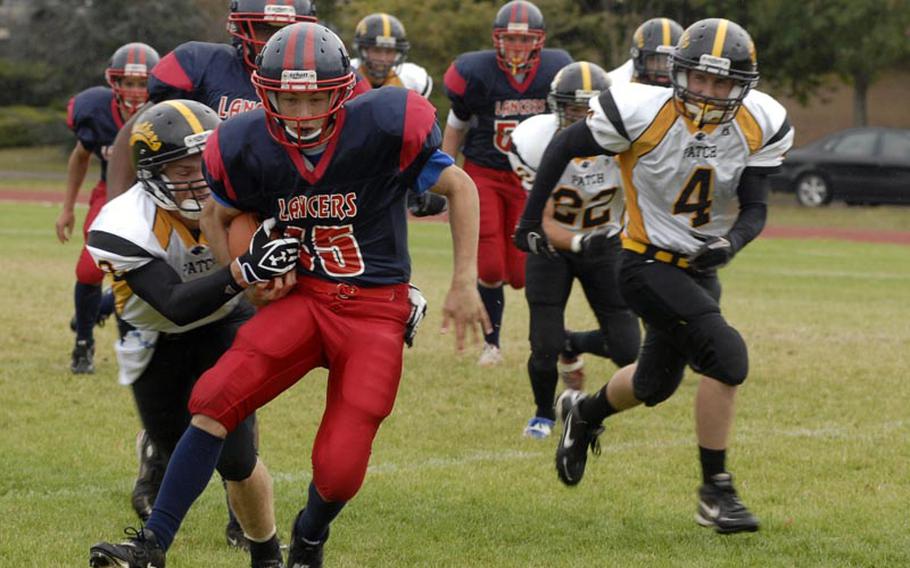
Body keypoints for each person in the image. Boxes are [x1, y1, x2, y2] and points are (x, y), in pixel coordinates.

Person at [89, 22, 489, 568]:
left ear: (342, 91)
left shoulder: (384, 125)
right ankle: (152, 544)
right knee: (213, 397)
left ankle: (309, 536)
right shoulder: (246, 140)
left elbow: (460, 187)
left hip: (374, 308)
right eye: (287, 98)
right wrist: (246, 273)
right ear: (265, 91)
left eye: (314, 97)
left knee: (340, 468)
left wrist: (464, 282)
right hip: (306, 297)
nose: (300, 112)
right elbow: (219, 211)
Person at [515, 18, 793, 533]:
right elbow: (564, 145)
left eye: (722, 82)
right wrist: (531, 220)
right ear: (678, 74)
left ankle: (584, 412)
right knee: (727, 357)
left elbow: (755, 208)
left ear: (743, 85)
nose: (709, 93)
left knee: (652, 384)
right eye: (700, 80)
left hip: (698, 268)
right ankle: (716, 491)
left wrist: (728, 243)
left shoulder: (760, 122)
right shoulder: (641, 110)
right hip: (642, 261)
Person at [86, 99, 292, 568]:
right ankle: (153, 449)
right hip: (153, 334)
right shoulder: (123, 223)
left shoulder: (249, 198)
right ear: (151, 173)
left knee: (235, 455)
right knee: (172, 442)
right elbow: (175, 305)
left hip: (224, 323)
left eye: (206, 166)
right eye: (183, 170)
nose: (199, 179)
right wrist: (242, 272)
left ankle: (263, 554)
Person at [507, 61, 640, 439]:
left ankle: (573, 343)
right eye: (573, 109)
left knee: (628, 348)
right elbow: (542, 218)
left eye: (590, 110)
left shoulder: (626, 139)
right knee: (543, 344)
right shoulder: (534, 141)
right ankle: (542, 413)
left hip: (606, 243)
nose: (582, 118)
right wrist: (581, 241)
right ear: (555, 106)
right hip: (552, 246)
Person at [443, 0, 572, 366]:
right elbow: (457, 124)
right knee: (490, 266)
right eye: (510, 39)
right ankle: (492, 344)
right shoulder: (475, 72)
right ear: (496, 40)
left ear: (538, 41)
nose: (516, 47)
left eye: (524, 39)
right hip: (482, 172)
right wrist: (441, 170)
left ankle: (541, 338)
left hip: (529, 176)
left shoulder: (557, 71)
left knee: (521, 271)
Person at [55, 42, 159, 374]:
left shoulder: (166, 111)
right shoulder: (96, 111)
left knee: (145, 272)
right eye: (127, 82)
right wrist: (67, 207)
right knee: (89, 270)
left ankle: (107, 313)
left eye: (142, 83)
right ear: (114, 83)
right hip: (110, 194)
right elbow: (80, 157)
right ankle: (83, 343)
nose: (134, 90)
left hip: (157, 197)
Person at [352, 12, 432, 97]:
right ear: (363, 51)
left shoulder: (413, 81)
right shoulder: (346, 75)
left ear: (397, 54)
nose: (383, 58)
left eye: (389, 51)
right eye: (377, 50)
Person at [608, 17, 683, 85]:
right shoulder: (615, 85)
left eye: (670, 60)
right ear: (639, 58)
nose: (663, 67)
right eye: (655, 60)